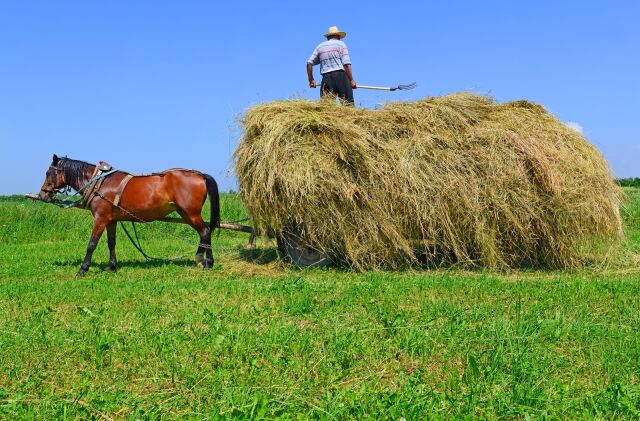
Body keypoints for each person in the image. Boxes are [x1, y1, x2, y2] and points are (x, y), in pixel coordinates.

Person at [307, 26, 357, 104]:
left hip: (326, 79)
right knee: (348, 105)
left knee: (327, 108)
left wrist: (311, 80)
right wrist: (351, 80)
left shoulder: (320, 47)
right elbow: (346, 64)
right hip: (341, 77)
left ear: (328, 37)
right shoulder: (341, 44)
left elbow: (309, 63)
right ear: (338, 36)